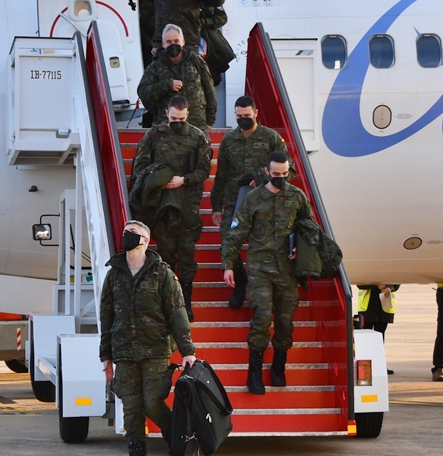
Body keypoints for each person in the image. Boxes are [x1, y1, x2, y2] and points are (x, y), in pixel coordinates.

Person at [99, 220, 197, 456]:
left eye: (132, 233)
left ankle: (179, 446)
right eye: (124, 233)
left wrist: (187, 350)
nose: (125, 236)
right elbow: (106, 316)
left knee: (153, 404)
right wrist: (105, 355)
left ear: (144, 240)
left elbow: (177, 312)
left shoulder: (162, 273)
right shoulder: (114, 273)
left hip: (155, 349)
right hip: (123, 351)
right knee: (131, 409)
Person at [221, 151, 315, 395]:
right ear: (266, 172)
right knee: (262, 316)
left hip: (287, 270)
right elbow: (236, 233)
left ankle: (278, 367)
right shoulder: (253, 199)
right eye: (276, 175)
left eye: (285, 174)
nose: (281, 179)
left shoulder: (297, 196)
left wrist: (300, 249)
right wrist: (229, 265)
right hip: (260, 268)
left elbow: (309, 227)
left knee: (284, 322)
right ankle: (253, 374)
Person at [131, 96, 212, 322]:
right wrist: (158, 177)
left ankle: (186, 303)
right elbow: (140, 167)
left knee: (186, 254)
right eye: (174, 118)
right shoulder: (154, 136)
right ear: (167, 114)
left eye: (182, 119)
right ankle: (168, 301)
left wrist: (183, 180)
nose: (178, 123)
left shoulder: (197, 137)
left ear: (187, 115)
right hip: (161, 204)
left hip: (186, 204)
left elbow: (204, 170)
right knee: (165, 255)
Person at [210, 96, 289, 309]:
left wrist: (262, 179)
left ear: (255, 113)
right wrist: (216, 206)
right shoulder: (229, 140)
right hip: (234, 199)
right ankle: (239, 282)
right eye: (239, 117)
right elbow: (221, 175)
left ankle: (263, 290)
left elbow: (286, 173)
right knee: (227, 239)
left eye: (246, 116)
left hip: (264, 200)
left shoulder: (271, 137)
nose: (243, 119)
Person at [136, 25, 217, 129]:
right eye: (169, 42)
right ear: (163, 44)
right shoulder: (155, 66)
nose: (173, 44)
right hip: (166, 128)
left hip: (196, 125)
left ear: (183, 41)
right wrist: (166, 85)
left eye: (176, 41)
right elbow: (143, 92)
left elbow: (209, 90)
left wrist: (210, 120)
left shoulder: (196, 61)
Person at [356, 284, 398, 375]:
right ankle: (365, 367)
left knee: (380, 338)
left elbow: (397, 282)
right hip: (367, 307)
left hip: (384, 307)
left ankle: (379, 366)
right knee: (365, 340)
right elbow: (360, 283)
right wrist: (376, 286)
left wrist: (389, 287)